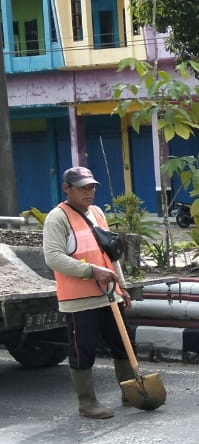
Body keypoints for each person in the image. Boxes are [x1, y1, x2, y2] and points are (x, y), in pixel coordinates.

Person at [42, 166, 133, 419]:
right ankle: (87, 403)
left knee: (123, 344)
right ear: (66, 189)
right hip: (78, 300)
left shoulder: (96, 213)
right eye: (82, 187)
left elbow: (110, 253)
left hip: (108, 294)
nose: (89, 192)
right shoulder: (57, 218)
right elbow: (53, 258)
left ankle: (131, 390)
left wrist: (122, 287)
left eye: (92, 187)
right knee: (83, 351)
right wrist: (92, 272)